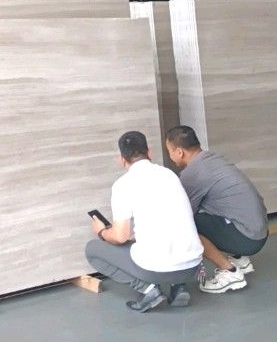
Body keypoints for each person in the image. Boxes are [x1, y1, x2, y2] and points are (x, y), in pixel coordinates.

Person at [85, 130, 203, 313]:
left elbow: (120, 236)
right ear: (149, 153)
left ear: (122, 160)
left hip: (157, 269)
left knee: (92, 250)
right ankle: (178, 287)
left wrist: (102, 231)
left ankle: (149, 290)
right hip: (192, 266)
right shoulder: (169, 175)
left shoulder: (123, 185)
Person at [165, 125, 268, 294]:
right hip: (259, 231)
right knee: (207, 209)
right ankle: (240, 259)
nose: (170, 157)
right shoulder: (213, 158)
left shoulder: (193, 174)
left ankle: (230, 272)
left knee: (186, 225)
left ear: (179, 152)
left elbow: (181, 216)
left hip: (249, 238)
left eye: (169, 151)